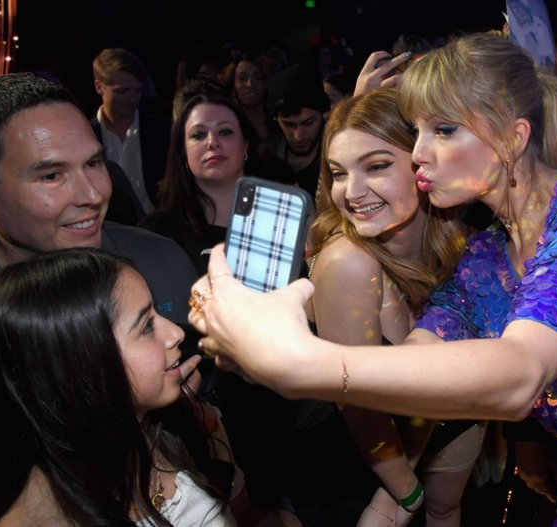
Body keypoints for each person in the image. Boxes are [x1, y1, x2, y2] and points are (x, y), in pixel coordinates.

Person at [189, 32, 557, 526]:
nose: (418, 153)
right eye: (416, 132)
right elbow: (419, 364)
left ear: (511, 137)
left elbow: (519, 374)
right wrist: (266, 340)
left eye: (443, 130)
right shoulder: (486, 257)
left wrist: (302, 363)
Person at [0, 73, 198, 489]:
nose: (93, 195)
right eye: (51, 176)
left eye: (94, 163)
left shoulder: (162, 260)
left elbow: (217, 409)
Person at [0, 248, 235, 526]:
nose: (176, 333)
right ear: (79, 368)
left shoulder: (171, 428)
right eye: (146, 326)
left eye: (156, 313)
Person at [308, 87, 480, 526]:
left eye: (377, 166)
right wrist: (404, 493)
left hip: (443, 428)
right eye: (339, 173)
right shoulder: (349, 263)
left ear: (423, 164)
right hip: (358, 471)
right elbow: (358, 404)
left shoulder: (461, 243)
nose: (351, 192)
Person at [140, 82, 292, 275]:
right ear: (183, 151)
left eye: (225, 132)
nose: (212, 142)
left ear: (245, 145)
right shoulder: (157, 234)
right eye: (199, 135)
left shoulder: (283, 221)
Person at [91, 48, 171, 214]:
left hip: (157, 222)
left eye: (138, 91)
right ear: (99, 87)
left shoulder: (162, 131)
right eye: (122, 91)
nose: (133, 99)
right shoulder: (86, 135)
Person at [266, 64, 330, 201]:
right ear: (276, 119)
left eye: (308, 123)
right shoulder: (266, 157)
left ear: (324, 114)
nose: (298, 136)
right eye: (289, 125)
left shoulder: (338, 157)